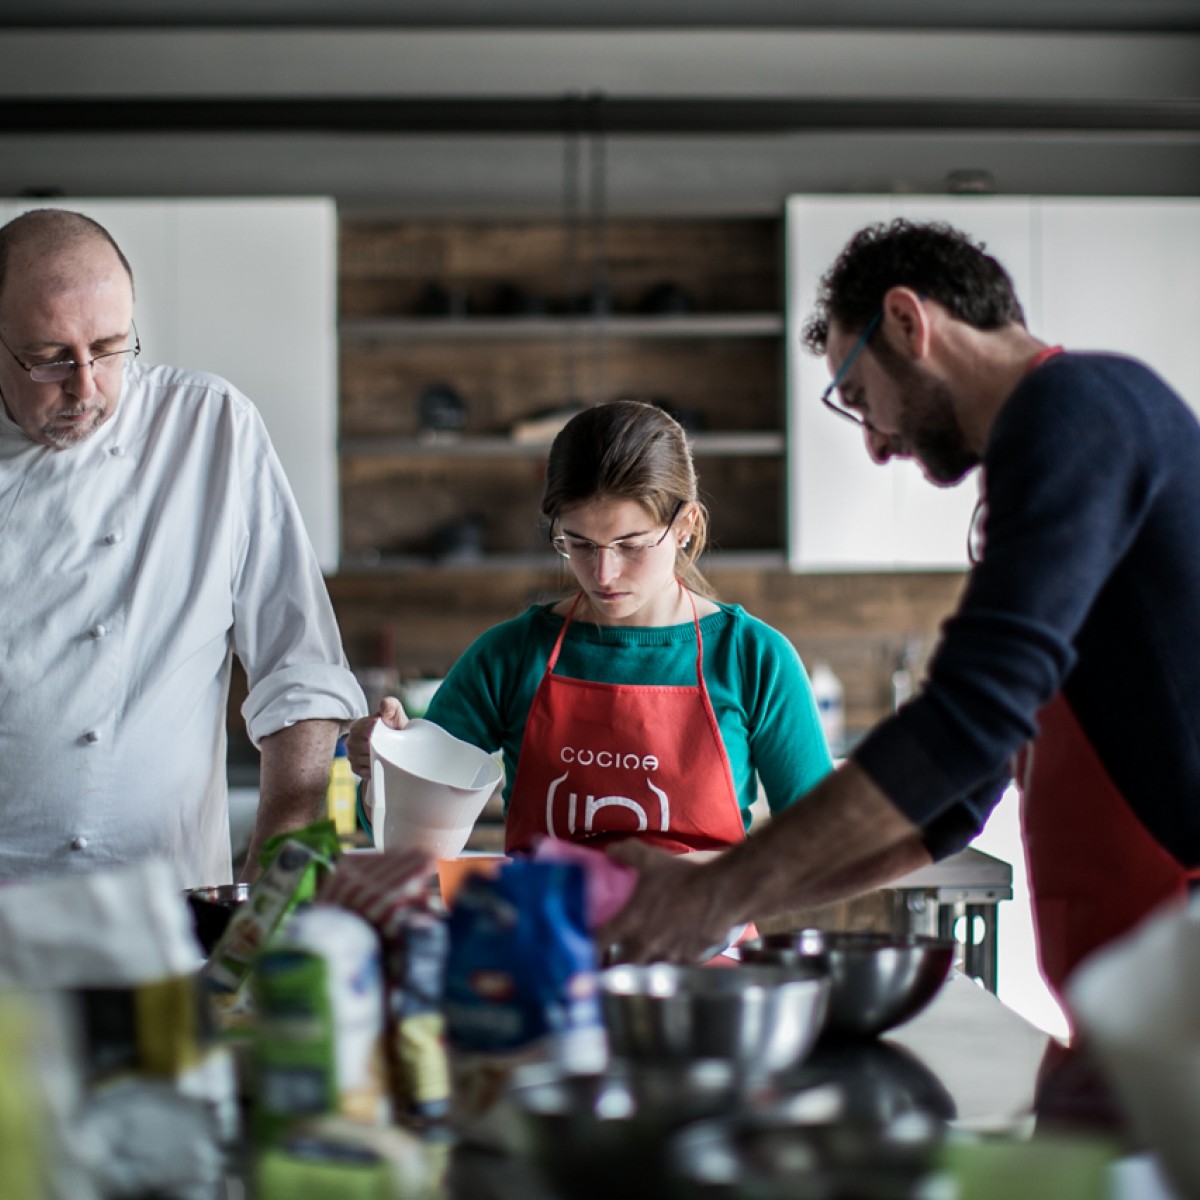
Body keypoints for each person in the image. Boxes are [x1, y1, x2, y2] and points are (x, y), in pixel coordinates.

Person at [597, 219, 1200, 1020]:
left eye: (858, 399)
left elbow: (967, 721)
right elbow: (951, 805)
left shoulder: (1076, 408)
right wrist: (725, 891)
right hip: (1137, 981)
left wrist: (719, 893)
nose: (877, 447)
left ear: (909, 322)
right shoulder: (1048, 450)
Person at [0, 208, 367, 887]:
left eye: (110, 347)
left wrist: (273, 880)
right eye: (50, 358)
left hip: (169, 905)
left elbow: (302, 675)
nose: (86, 386)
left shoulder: (209, 427)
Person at [348, 399, 833, 860]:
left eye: (631, 545)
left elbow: (821, 845)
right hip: (542, 922)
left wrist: (707, 877)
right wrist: (389, 771)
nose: (603, 574)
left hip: (701, 924)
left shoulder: (753, 658)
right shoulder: (510, 655)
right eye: (579, 544)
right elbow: (408, 841)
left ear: (685, 525)